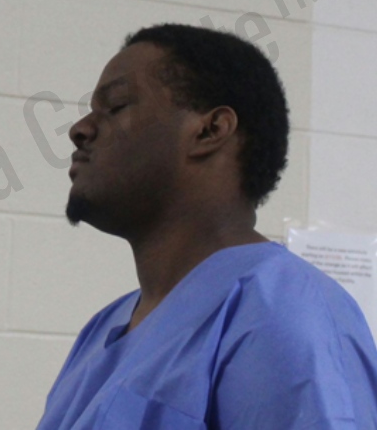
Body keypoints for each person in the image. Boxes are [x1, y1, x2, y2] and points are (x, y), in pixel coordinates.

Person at [38, 24, 377, 429]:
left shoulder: (286, 312)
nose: (80, 129)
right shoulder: (101, 332)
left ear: (210, 130)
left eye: (116, 106)